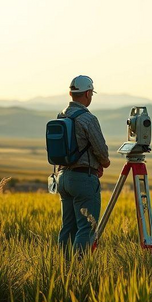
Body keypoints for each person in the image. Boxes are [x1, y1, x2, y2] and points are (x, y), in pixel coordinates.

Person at [55, 75, 111, 252]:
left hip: (63, 177)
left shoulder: (61, 116)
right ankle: (80, 271)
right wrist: (104, 162)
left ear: (70, 93)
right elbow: (101, 151)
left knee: (67, 228)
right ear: (87, 93)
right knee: (86, 228)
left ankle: (63, 269)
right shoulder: (88, 119)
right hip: (83, 179)